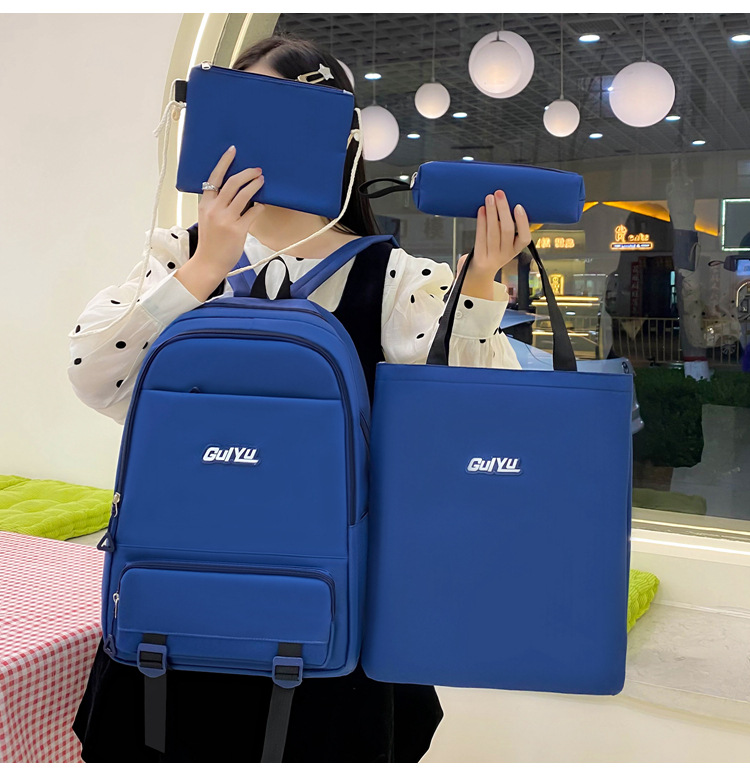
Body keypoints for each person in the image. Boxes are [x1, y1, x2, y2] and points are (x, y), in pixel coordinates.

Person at [69, 33, 529, 764]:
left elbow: (471, 428)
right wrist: (207, 266)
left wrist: (478, 288)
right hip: (177, 608)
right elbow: (95, 375)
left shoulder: (398, 279)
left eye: (272, 109)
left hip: (330, 618)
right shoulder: (179, 254)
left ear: (335, 132)